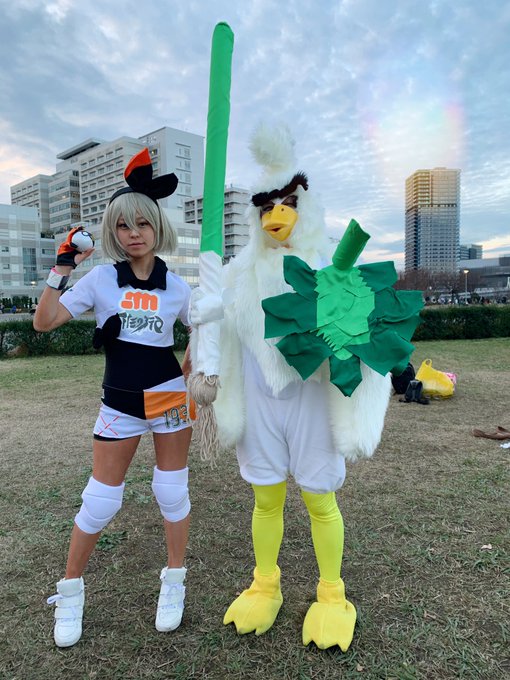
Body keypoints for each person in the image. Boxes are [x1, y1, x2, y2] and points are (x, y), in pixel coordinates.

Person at [198, 123, 399, 652]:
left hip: (312, 399)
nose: (276, 215)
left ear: (306, 207)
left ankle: (332, 595)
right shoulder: (235, 274)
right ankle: (265, 584)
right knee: (265, 498)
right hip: (259, 399)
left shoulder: (331, 268)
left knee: (319, 499)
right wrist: (205, 324)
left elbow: (365, 338)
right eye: (266, 206)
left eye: (287, 203)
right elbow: (217, 333)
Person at [34, 148, 193, 648]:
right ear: (113, 232)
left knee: (172, 493)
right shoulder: (101, 279)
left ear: (157, 227)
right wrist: (62, 268)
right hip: (119, 402)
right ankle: (71, 591)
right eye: (123, 225)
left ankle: (174, 582)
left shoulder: (179, 287)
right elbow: (44, 322)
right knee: (100, 501)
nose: (134, 233)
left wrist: (189, 374)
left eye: (143, 223)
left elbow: (206, 332)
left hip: (170, 401)